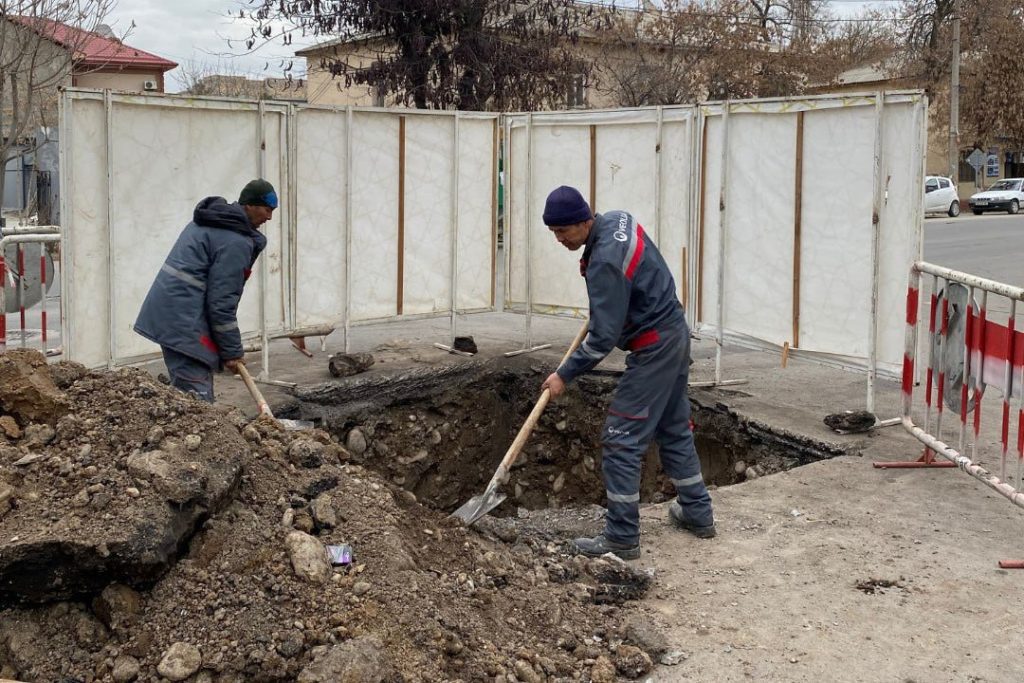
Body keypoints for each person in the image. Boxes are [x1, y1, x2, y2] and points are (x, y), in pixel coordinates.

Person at [540, 185, 715, 560]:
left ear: (584, 220)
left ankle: (621, 537)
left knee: (621, 439)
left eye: (563, 230)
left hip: (654, 347)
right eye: (553, 232)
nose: (559, 239)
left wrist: (564, 375)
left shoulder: (604, 262)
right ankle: (697, 512)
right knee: (673, 427)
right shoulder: (619, 220)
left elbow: (602, 340)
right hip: (674, 333)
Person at [134, 179, 277, 402]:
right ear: (249, 205)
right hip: (183, 323)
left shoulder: (208, 222)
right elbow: (222, 303)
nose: (269, 217)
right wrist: (232, 352)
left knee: (186, 398)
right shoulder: (236, 242)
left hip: (171, 315)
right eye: (267, 209)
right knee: (198, 400)